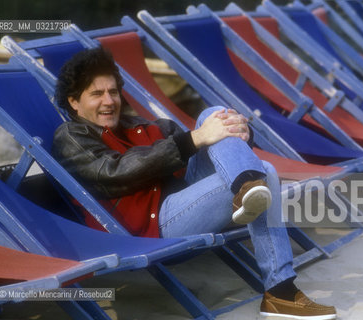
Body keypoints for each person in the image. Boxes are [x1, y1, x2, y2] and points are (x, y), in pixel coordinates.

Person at [52, 47, 336, 320]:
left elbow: (203, 140)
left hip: (180, 200)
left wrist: (239, 132)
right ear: (74, 102)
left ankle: (248, 186)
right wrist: (196, 138)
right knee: (267, 171)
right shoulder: (71, 137)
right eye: (97, 94)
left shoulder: (134, 125)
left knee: (212, 114)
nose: (109, 100)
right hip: (148, 226)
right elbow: (113, 172)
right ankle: (280, 290)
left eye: (113, 91)